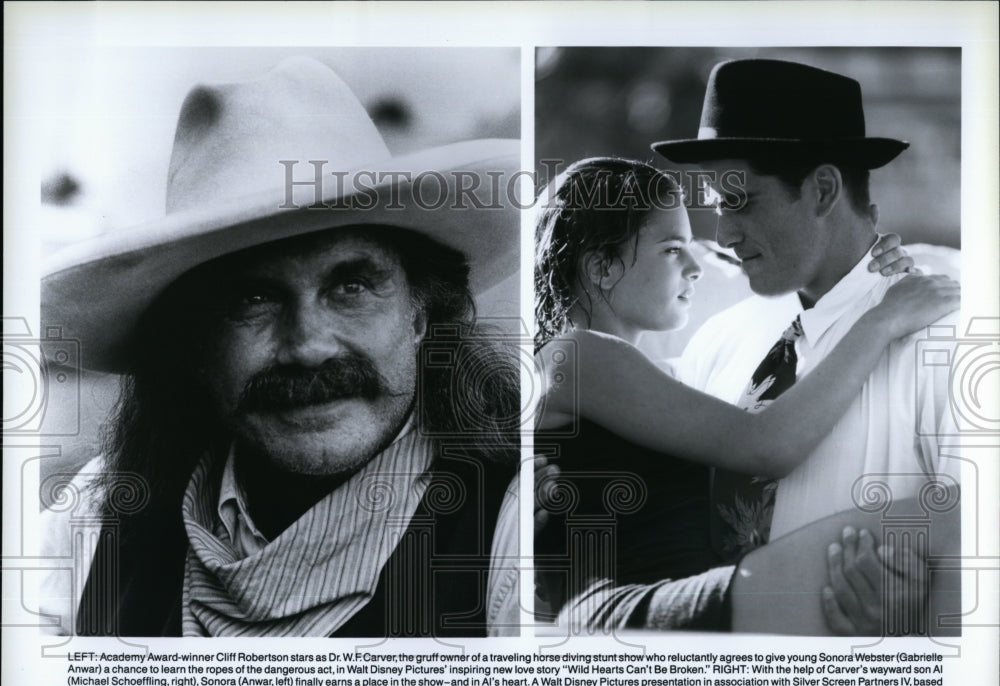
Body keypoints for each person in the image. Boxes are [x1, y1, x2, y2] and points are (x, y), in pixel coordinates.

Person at [38, 57, 522, 637]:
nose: (309, 347)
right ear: (194, 343)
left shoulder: (517, 527)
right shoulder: (99, 516)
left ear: (421, 313)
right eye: (252, 301)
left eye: (351, 287)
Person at [533, 157, 958, 634]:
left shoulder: (656, 375)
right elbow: (766, 445)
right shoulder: (575, 356)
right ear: (602, 267)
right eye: (673, 249)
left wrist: (873, 273)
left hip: (681, 600)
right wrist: (882, 320)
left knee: (954, 527)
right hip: (630, 608)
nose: (697, 266)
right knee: (956, 525)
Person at [655, 58, 961, 634]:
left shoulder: (947, 343)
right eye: (718, 205)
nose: (722, 234)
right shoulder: (717, 341)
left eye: (739, 201)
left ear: (822, 190)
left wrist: (915, 627)